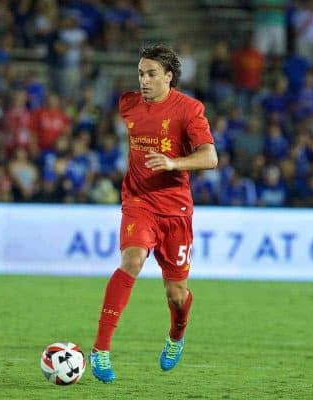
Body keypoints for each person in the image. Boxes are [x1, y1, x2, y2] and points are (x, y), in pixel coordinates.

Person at [89, 44, 218, 383]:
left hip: (175, 210)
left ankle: (177, 334)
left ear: (169, 77)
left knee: (176, 294)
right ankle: (100, 349)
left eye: (151, 74)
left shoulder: (189, 110)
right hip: (139, 202)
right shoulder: (128, 104)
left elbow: (210, 158)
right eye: (140, 74)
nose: (143, 81)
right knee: (131, 260)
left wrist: (174, 162)